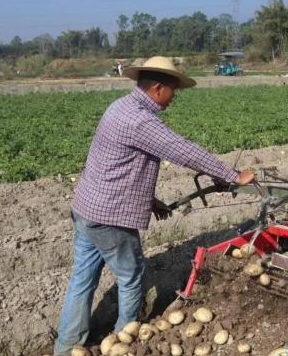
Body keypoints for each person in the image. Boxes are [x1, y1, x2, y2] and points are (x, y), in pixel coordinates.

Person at [53, 56, 254, 355]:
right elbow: (183, 151)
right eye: (174, 90)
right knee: (132, 277)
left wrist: (150, 200)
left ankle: (67, 346)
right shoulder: (140, 120)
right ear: (159, 88)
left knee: (83, 279)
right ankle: (126, 342)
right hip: (109, 217)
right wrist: (233, 175)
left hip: (86, 207)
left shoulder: (120, 107)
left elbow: (116, 165)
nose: (174, 98)